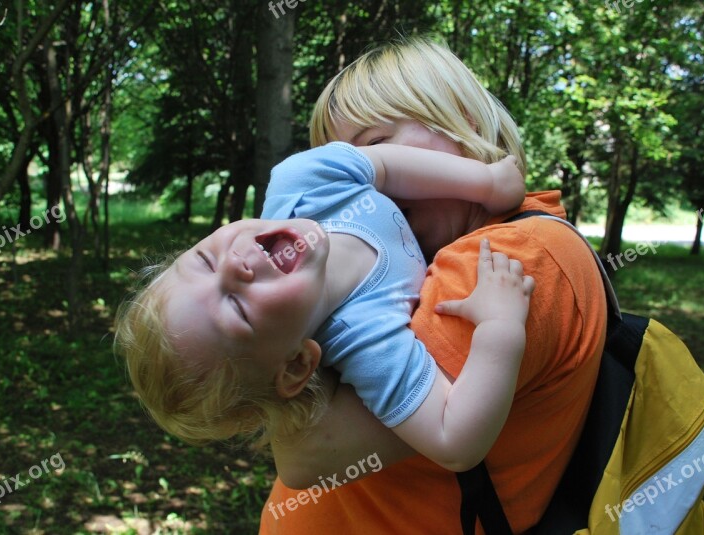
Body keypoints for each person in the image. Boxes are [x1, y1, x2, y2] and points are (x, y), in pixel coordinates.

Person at [259, 38, 608, 534]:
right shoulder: (451, 252)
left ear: (462, 120)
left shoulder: (506, 260)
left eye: (376, 146)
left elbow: (305, 453)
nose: (365, 185)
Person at [114, 140, 535, 480]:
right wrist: (500, 328)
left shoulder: (301, 183)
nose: (233, 266)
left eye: (205, 259)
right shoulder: (364, 338)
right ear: (297, 365)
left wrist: (485, 183)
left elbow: (385, 165)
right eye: (238, 309)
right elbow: (454, 442)